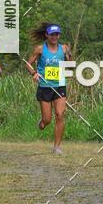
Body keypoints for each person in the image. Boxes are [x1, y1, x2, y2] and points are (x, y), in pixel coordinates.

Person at [26, 23, 72, 155]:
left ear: (59, 35)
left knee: (60, 114)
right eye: (52, 34)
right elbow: (28, 64)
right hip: (45, 86)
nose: (54, 37)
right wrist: (34, 73)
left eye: (56, 34)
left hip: (60, 85)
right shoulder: (40, 49)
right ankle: (42, 122)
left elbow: (70, 65)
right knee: (47, 119)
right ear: (47, 35)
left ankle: (57, 147)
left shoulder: (63, 48)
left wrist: (69, 56)